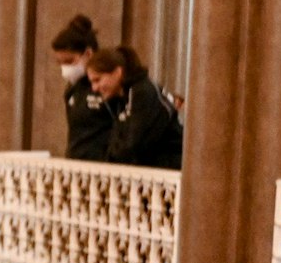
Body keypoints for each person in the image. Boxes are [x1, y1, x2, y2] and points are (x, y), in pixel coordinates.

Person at [87, 45, 183, 169]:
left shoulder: (142, 92)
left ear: (117, 73)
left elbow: (134, 143)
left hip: (166, 168)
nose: (94, 88)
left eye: (97, 80)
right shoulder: (119, 99)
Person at [51, 14, 112, 161]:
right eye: (60, 63)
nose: (64, 68)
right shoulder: (73, 88)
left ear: (88, 54)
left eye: (69, 61)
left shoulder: (108, 86)